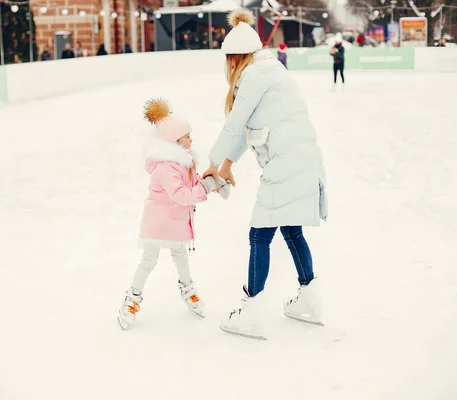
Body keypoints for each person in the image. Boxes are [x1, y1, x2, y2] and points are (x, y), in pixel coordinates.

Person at [202, 9, 328, 340]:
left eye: (229, 59)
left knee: (260, 234)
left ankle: (251, 310)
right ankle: (309, 300)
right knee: (291, 229)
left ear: (236, 57)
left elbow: (234, 124)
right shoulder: (271, 70)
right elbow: (250, 129)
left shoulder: (256, 76)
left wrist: (214, 163)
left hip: (285, 163)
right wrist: (228, 165)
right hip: (303, 158)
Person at [117, 99, 230, 330]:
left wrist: (212, 182)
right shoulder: (165, 167)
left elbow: (191, 184)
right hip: (158, 224)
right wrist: (205, 189)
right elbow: (181, 194)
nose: (191, 139)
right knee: (149, 260)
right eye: (187, 136)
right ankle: (132, 299)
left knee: (181, 256)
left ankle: (188, 291)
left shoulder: (182, 163)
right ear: (173, 141)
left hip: (177, 222)